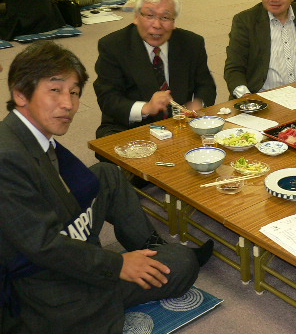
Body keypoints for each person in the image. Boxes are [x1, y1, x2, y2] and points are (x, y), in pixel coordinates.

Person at [0, 41, 212, 334]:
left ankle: (151, 250)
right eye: (55, 90)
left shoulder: (25, 135)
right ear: (21, 94)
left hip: (60, 236)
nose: (68, 104)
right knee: (182, 263)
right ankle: (144, 268)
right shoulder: (7, 158)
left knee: (108, 175)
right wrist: (117, 265)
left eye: (74, 92)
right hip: (49, 289)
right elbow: (43, 247)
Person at [94, 0, 216, 139]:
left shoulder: (192, 43)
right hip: (129, 126)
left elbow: (206, 84)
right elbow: (108, 98)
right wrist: (145, 108)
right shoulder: (113, 46)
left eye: (165, 17)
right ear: (136, 17)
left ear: (173, 22)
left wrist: (199, 104)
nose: (157, 25)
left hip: (179, 124)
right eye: (149, 16)